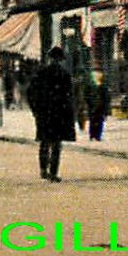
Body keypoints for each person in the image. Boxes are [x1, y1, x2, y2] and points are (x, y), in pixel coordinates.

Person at [26, 46, 76, 182]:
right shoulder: (64, 75)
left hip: (44, 114)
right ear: (60, 60)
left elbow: (30, 93)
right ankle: (53, 173)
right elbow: (69, 97)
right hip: (58, 114)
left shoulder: (40, 73)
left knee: (44, 142)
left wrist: (35, 110)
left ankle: (43, 170)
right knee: (56, 145)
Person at [85, 69, 110, 141]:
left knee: (93, 121)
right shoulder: (102, 85)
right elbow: (106, 97)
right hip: (99, 106)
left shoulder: (90, 84)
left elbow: (86, 95)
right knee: (99, 121)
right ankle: (97, 135)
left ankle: (92, 135)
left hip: (93, 106)